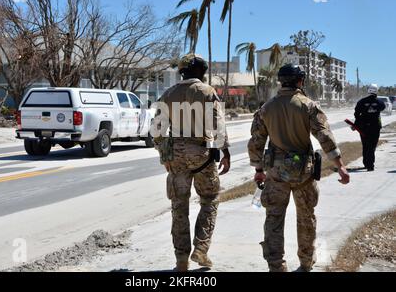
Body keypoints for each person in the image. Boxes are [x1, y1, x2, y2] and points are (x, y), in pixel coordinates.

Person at [248, 64, 350, 272]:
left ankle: (276, 265)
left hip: (275, 174)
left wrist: (258, 169)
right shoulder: (309, 106)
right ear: (300, 81)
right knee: (306, 218)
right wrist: (340, 166)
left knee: (274, 219)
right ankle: (306, 262)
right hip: (304, 172)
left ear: (281, 81)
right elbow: (325, 137)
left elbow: (256, 142)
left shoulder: (266, 108)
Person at [151, 53, 231, 272]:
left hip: (175, 155)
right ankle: (201, 248)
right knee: (210, 199)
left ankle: (181, 260)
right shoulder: (207, 92)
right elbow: (218, 125)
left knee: (179, 207)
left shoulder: (168, 93)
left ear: (182, 71)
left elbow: (156, 131)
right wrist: (225, 152)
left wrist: (164, 155)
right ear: (202, 72)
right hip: (202, 154)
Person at [354, 84, 386, 171]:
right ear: (376, 91)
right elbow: (383, 108)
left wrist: (357, 122)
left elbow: (356, 114)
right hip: (375, 128)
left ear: (368, 91)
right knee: (372, 146)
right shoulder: (380, 102)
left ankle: (367, 163)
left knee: (366, 145)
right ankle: (370, 165)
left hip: (364, 128)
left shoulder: (361, 102)